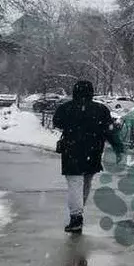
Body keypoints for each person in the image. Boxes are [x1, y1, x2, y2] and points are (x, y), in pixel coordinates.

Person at [52, 80, 125, 234]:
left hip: (72, 151)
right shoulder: (101, 109)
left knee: (74, 184)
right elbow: (109, 131)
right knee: (86, 183)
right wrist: (118, 148)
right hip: (93, 151)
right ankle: (78, 212)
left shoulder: (66, 108)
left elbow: (57, 123)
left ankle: (76, 216)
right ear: (91, 92)